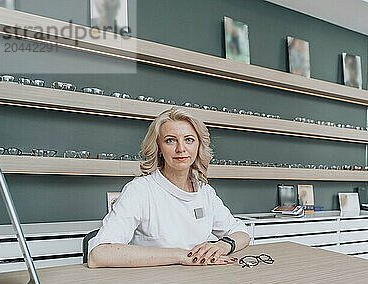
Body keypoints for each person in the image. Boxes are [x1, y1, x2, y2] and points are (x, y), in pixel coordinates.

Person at [88, 107, 250, 268]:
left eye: (189, 139)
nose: (181, 149)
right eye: (170, 140)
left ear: (199, 146)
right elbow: (99, 254)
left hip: (198, 281)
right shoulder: (140, 190)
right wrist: (181, 255)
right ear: (158, 148)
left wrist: (223, 245)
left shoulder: (204, 191)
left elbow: (241, 232)